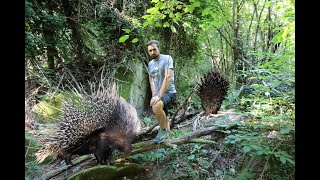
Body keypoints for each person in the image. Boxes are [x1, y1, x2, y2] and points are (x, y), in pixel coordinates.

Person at [146, 40, 177, 143]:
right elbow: (151, 80)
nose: (152, 52)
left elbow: (168, 77)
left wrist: (158, 96)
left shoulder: (167, 58)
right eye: (150, 51)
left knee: (156, 106)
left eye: (154, 49)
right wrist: (154, 95)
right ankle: (167, 141)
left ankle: (163, 131)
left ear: (159, 48)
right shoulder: (150, 64)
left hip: (169, 93)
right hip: (158, 94)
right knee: (165, 117)